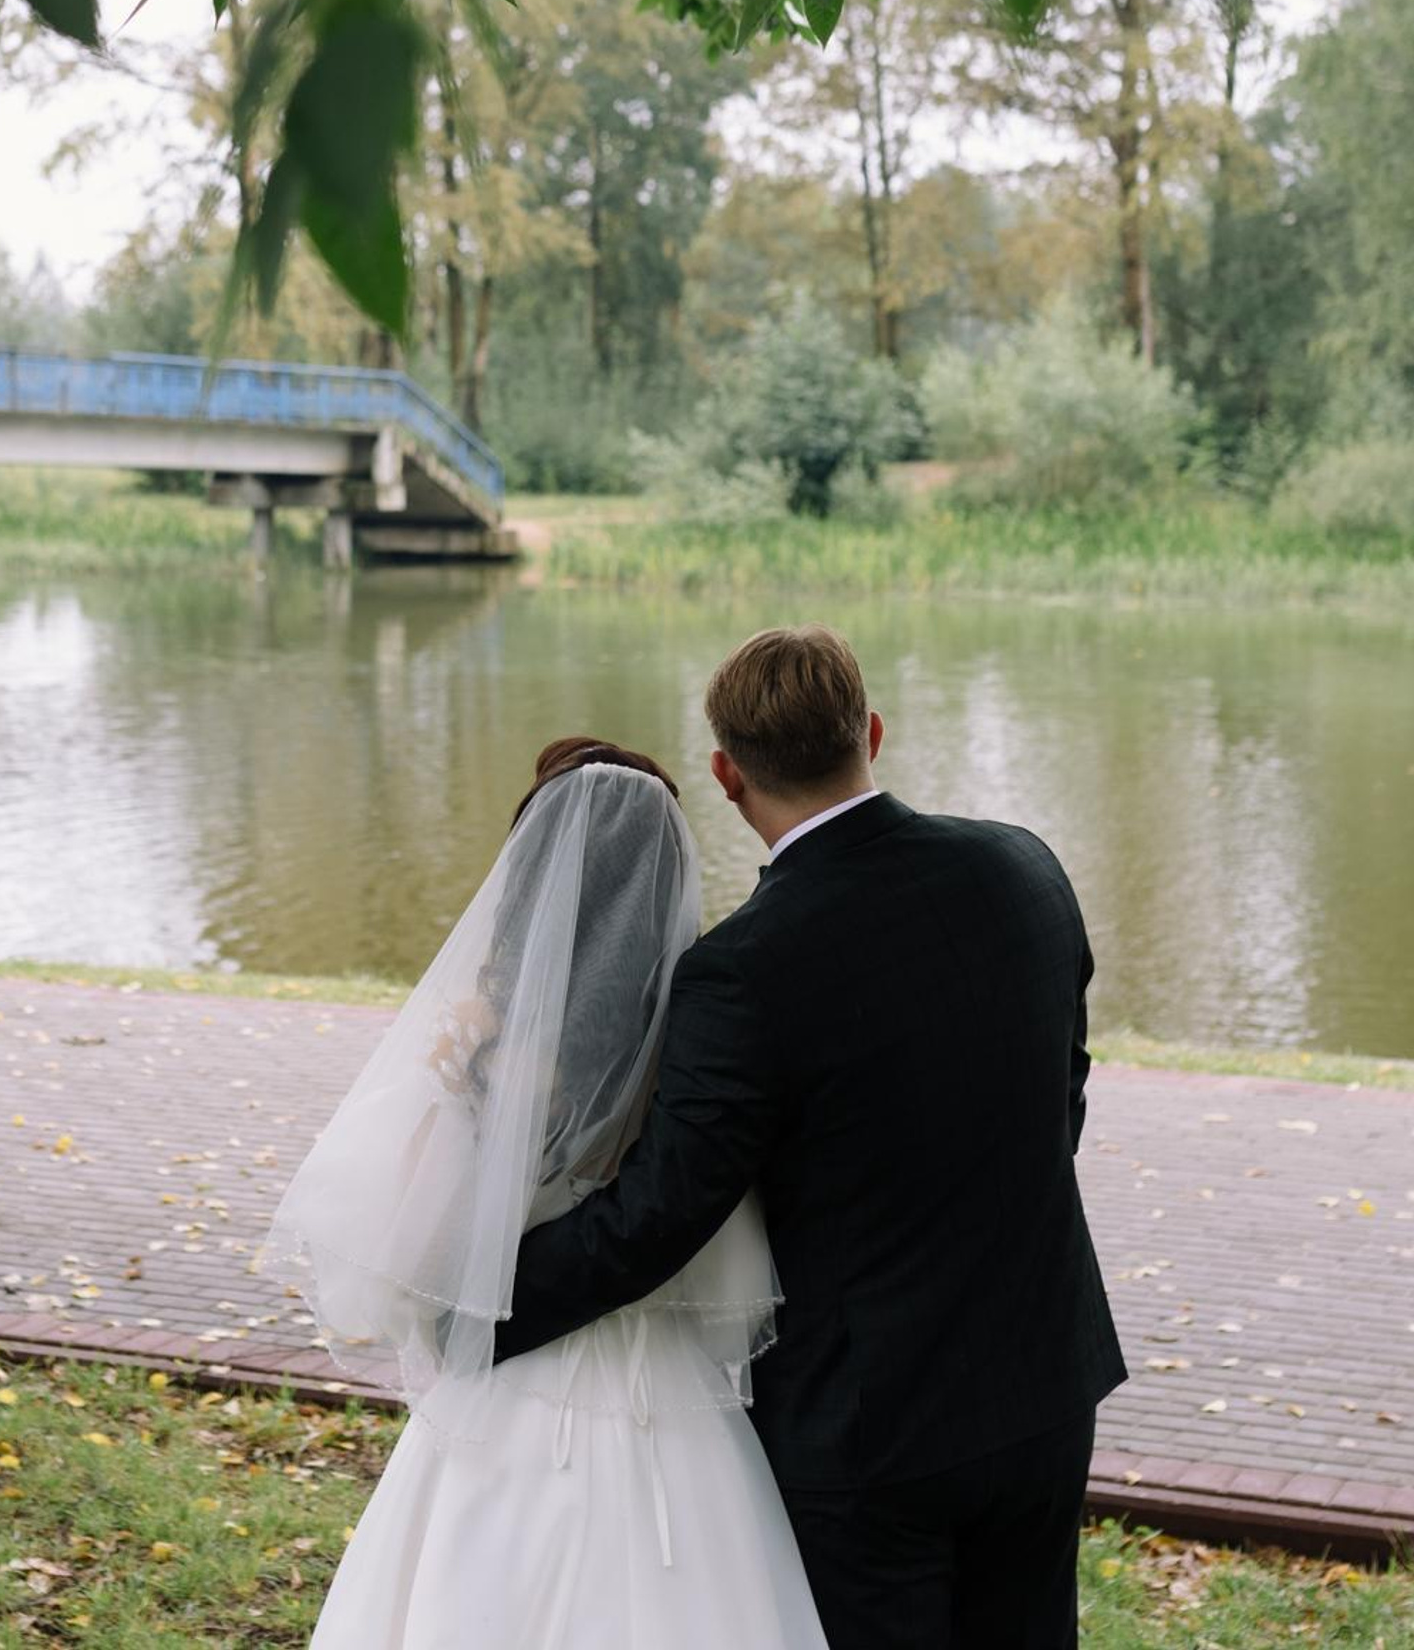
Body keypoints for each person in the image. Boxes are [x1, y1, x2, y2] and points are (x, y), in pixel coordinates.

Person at [496, 628, 1124, 1650]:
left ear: (725, 774)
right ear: (870, 732)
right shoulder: (1023, 867)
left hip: (870, 1428)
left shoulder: (743, 968)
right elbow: (1064, 1089)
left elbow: (661, 1212)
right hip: (1044, 1378)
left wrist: (482, 1307)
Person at [261, 736, 829, 1650]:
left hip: (513, 1379)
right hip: (662, 1383)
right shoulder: (704, 1028)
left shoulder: (485, 1042)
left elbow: (416, 1254)